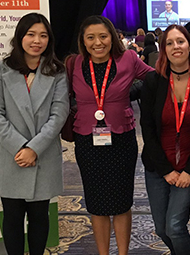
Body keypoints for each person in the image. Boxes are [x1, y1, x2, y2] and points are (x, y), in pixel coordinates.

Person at [0, 13, 69, 255]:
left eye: (43, 35)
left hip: (42, 155)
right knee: (12, 216)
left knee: (40, 216)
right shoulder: (2, 69)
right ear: (20, 36)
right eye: (31, 34)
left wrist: (34, 149)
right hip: (12, 155)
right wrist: (21, 147)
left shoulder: (56, 70)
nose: (37, 40)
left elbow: (59, 113)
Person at [70, 15, 154, 255]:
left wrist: (132, 93)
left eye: (103, 36)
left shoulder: (128, 59)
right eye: (91, 37)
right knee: (96, 203)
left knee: (121, 201)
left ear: (113, 37)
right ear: (83, 41)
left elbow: (154, 78)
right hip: (87, 140)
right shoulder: (74, 64)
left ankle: (123, 253)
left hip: (121, 139)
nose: (98, 42)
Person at [141, 25, 190, 255]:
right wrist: (165, 171)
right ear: (163, 50)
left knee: (175, 226)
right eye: (169, 43)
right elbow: (147, 129)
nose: (175, 47)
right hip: (159, 166)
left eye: (180, 41)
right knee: (161, 229)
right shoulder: (153, 81)